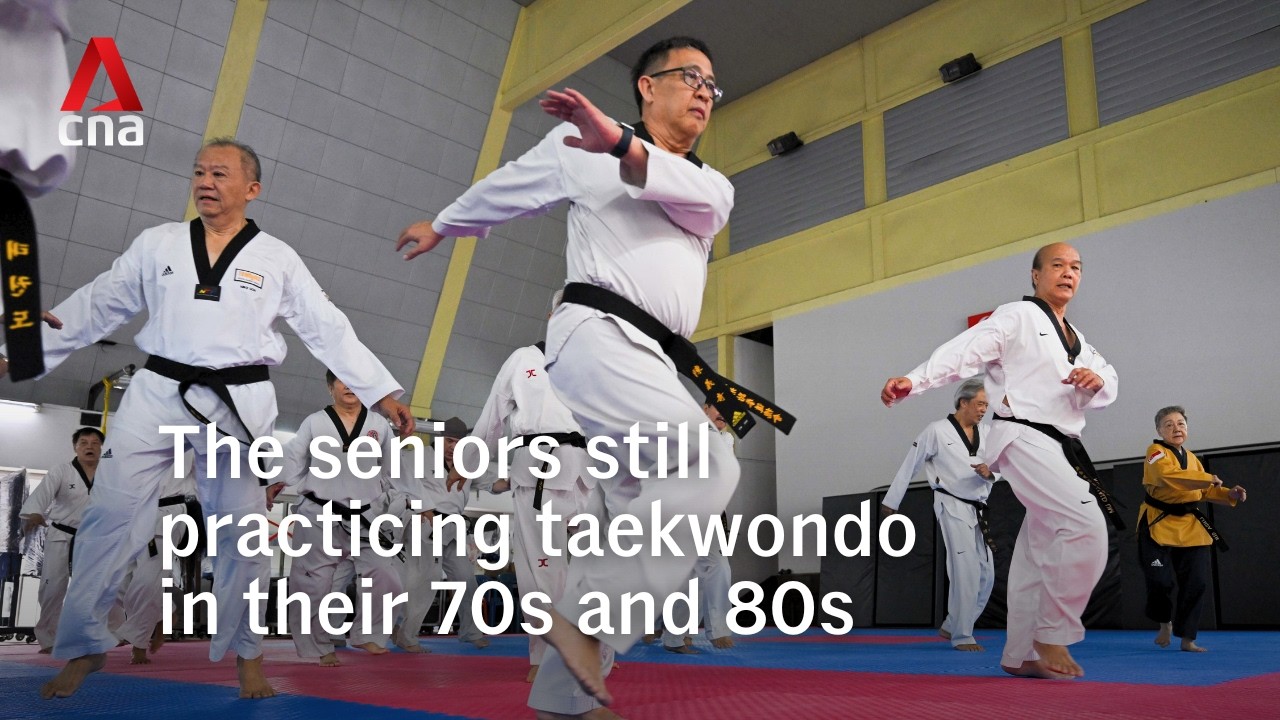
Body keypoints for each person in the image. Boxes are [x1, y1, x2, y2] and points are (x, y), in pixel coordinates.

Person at [398, 36, 743, 718]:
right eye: (690, 77)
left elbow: (674, 189)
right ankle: (588, 626)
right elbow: (512, 186)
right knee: (710, 467)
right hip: (597, 333)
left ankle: (563, 697)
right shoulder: (575, 147)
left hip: (654, 358)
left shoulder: (709, 183)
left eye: (713, 84)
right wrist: (444, 224)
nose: (705, 91)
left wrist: (617, 143)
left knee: (629, 512)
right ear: (647, 86)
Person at [0, 138, 414, 700]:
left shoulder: (276, 257)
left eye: (220, 173)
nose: (205, 181)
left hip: (239, 401)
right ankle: (83, 642)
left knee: (242, 535)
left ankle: (247, 654)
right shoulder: (159, 242)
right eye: (198, 171)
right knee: (109, 514)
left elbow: (328, 327)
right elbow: (102, 301)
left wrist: (381, 390)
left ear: (252, 188)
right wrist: (22, 349)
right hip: (157, 390)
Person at [880, 242, 1118, 680]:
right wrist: (913, 381)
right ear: (1035, 275)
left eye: (1076, 267)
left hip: (1060, 445)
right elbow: (963, 350)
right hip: (1024, 435)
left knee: (1037, 550)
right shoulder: (1018, 316)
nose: (1069, 273)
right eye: (1058, 265)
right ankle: (1053, 631)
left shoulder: (1079, 340)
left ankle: (1020, 654)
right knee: (1085, 525)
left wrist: (1096, 379)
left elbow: (1109, 382)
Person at [467, 299, 597, 682]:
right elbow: (493, 414)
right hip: (537, 470)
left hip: (589, 473)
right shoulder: (524, 358)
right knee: (542, 572)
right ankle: (546, 655)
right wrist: (468, 462)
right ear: (551, 315)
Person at [267, 370, 406, 666]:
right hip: (319, 514)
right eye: (341, 381)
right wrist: (276, 482)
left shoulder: (379, 425)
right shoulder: (314, 422)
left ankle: (366, 633)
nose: (348, 387)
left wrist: (410, 503)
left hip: (365, 516)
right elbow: (293, 458)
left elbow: (395, 470)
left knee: (387, 577)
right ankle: (319, 647)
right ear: (330, 388)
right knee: (313, 585)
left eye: (354, 381)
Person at [881, 378, 996, 652]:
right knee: (965, 569)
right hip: (951, 504)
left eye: (986, 405)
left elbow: (1002, 463)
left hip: (978, 508)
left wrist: (991, 473)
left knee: (986, 574)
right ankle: (962, 635)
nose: (983, 410)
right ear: (963, 402)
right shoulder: (937, 431)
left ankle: (952, 622)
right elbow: (912, 463)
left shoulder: (989, 433)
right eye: (980, 404)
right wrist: (892, 500)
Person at [1138, 406, 1246, 652]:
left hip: (1189, 526)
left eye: (1181, 424)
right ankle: (1164, 621)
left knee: (1196, 583)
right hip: (1159, 523)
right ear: (1159, 430)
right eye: (1169, 424)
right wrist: (1207, 478)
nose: (1176, 428)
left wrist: (1228, 493)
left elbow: (1206, 491)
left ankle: (1188, 638)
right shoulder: (1155, 452)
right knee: (1159, 582)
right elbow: (1168, 476)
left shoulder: (1193, 459)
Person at [19, 428, 104, 653]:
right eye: (84, 442)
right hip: (61, 536)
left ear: (101, 449)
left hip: (93, 539)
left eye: (95, 443)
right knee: (52, 587)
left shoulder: (110, 474)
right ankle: (48, 639)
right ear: (75, 447)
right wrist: (35, 512)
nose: (89, 446)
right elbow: (44, 493)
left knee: (94, 589)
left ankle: (89, 637)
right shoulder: (62, 471)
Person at [115, 461, 196, 664]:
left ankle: (138, 643)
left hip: (167, 513)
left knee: (148, 579)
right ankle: (164, 610)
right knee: (118, 581)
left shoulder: (190, 439)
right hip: (132, 515)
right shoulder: (137, 441)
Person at [432, 416, 495, 649]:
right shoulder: (422, 460)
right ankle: (397, 629)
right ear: (439, 440)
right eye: (448, 441)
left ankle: (470, 631)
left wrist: (514, 482)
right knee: (416, 582)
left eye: (458, 442)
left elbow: (493, 484)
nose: (453, 446)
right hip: (425, 525)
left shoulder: (467, 466)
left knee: (467, 581)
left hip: (455, 527)